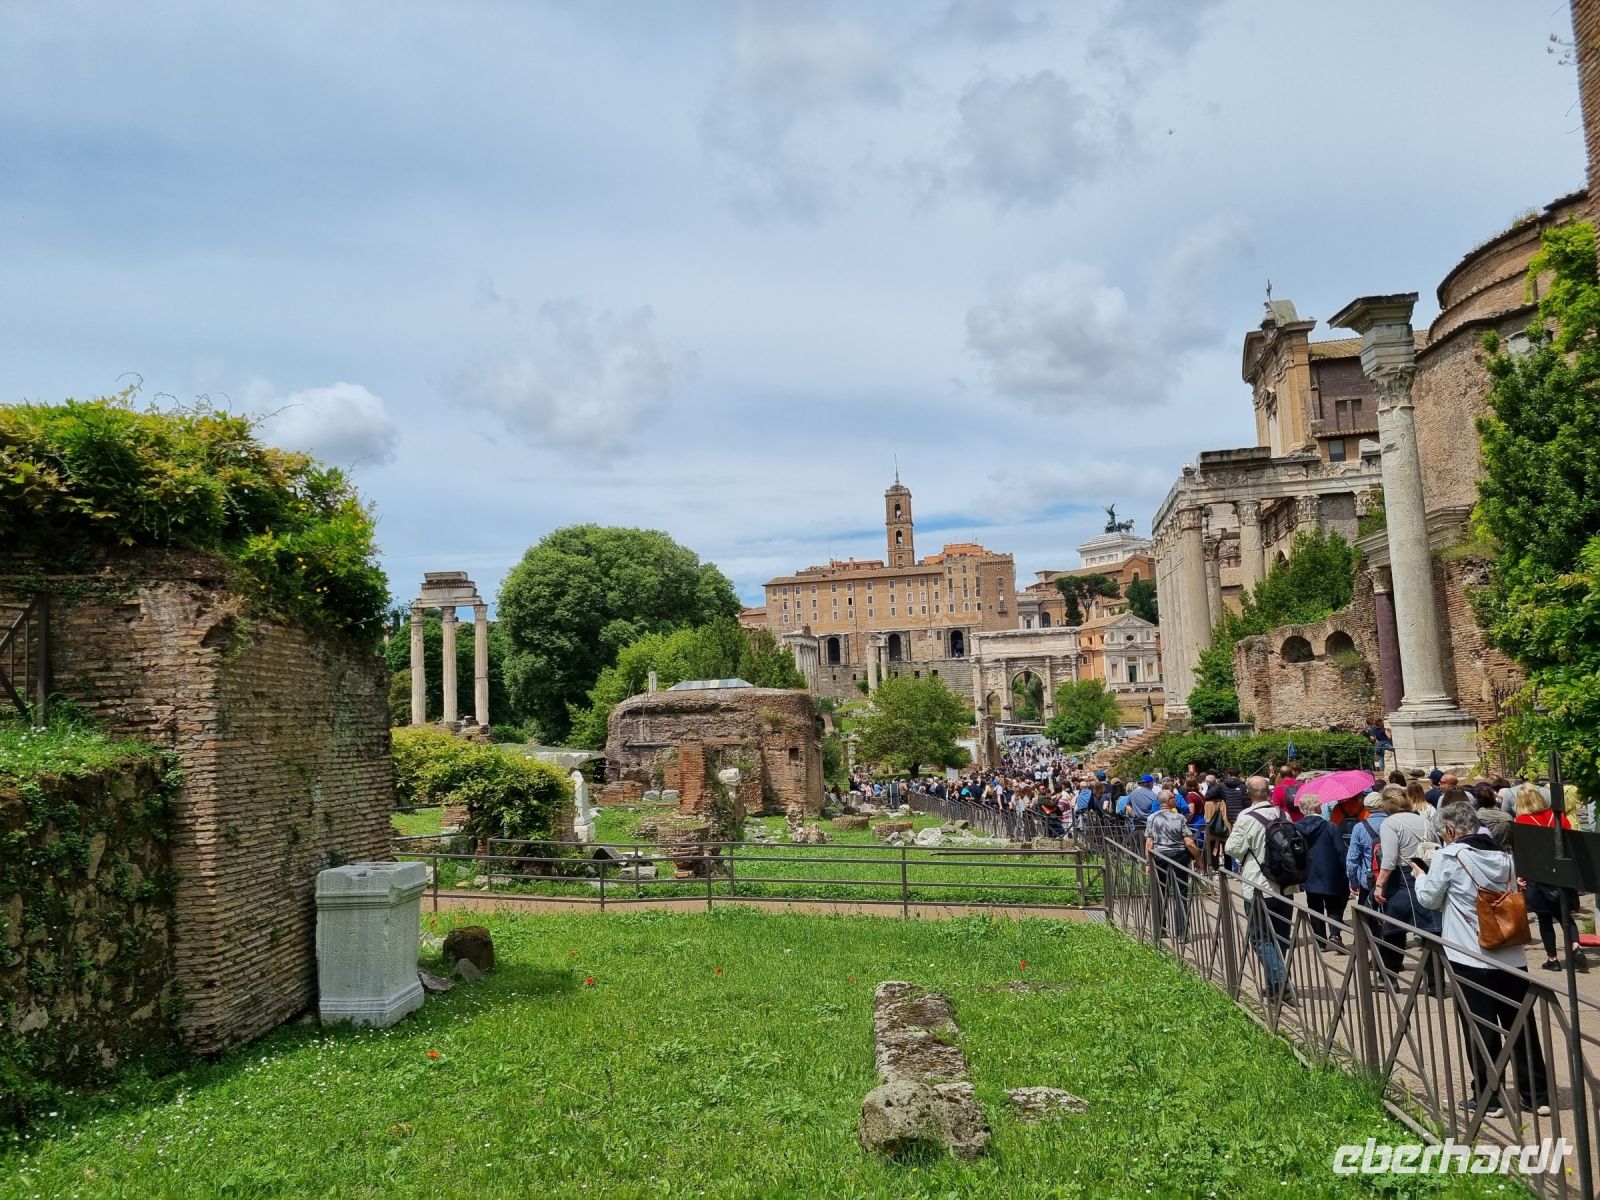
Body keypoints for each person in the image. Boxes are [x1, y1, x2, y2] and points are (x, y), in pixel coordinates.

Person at [1415, 801, 1550, 1119]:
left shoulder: (1450, 856)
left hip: (1469, 953)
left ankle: (1489, 1097)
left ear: (1449, 830)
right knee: (1520, 1024)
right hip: (1511, 951)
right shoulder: (1505, 856)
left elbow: (1429, 899)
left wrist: (1420, 876)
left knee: (1480, 1026)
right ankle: (1536, 1095)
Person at [1224, 775, 1297, 1004]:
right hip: (1286, 884)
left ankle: (1281, 983)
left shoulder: (1247, 817)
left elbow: (1232, 849)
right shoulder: (1283, 814)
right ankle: (1274, 984)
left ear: (1248, 793)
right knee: (1281, 936)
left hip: (1258, 884)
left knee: (1260, 938)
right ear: (1269, 792)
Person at [1513, 784, 1591, 974]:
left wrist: (1521, 875)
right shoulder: (1557, 817)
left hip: (1538, 874)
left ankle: (1552, 959)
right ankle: (1575, 946)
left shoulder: (1521, 821)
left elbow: (1523, 852)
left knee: (1544, 918)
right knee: (1565, 914)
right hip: (1561, 871)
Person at [1349, 786, 1406, 979]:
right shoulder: (1394, 823)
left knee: (1371, 922)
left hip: (1369, 880)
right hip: (1395, 879)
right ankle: (1394, 961)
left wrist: (1353, 880)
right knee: (1393, 921)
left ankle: (1376, 957)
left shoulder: (1360, 827)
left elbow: (1352, 858)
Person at [1297, 793, 1348, 948]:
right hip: (1330, 871)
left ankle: (1320, 940)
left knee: (1314, 905)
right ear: (1318, 808)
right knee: (1333, 904)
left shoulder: (1296, 827)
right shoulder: (1330, 826)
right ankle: (1335, 934)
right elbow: (1340, 851)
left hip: (1308, 872)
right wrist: (1345, 871)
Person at [1145, 789, 1197, 940]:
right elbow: (1188, 841)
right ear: (1168, 801)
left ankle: (1160, 928)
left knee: (1161, 892)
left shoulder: (1152, 818)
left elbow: (1149, 842)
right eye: (1173, 797)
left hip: (1159, 856)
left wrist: (1148, 862)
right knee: (1180, 893)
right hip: (1178, 857)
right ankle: (1181, 933)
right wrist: (1198, 857)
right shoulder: (1179, 818)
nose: (1175, 799)